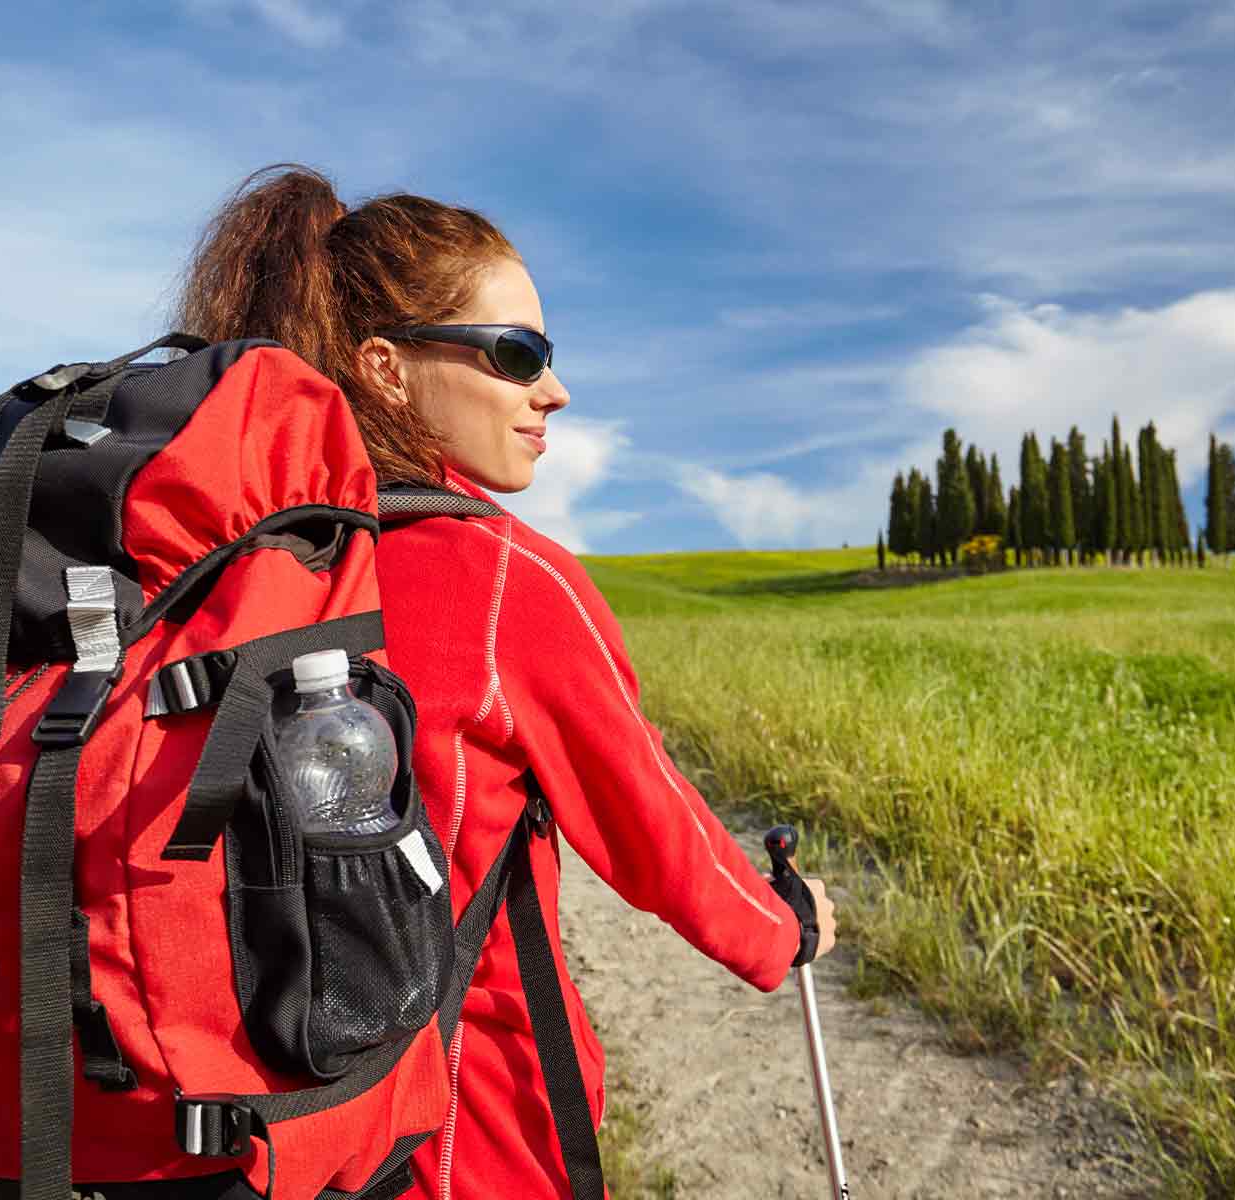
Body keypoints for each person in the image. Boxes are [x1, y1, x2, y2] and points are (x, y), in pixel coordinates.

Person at [175, 164, 837, 1199]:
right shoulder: (503, 581)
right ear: (387, 368)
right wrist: (784, 927)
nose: (555, 391)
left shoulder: (231, 563)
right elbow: (655, 832)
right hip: (454, 1135)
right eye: (517, 353)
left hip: (237, 1123)